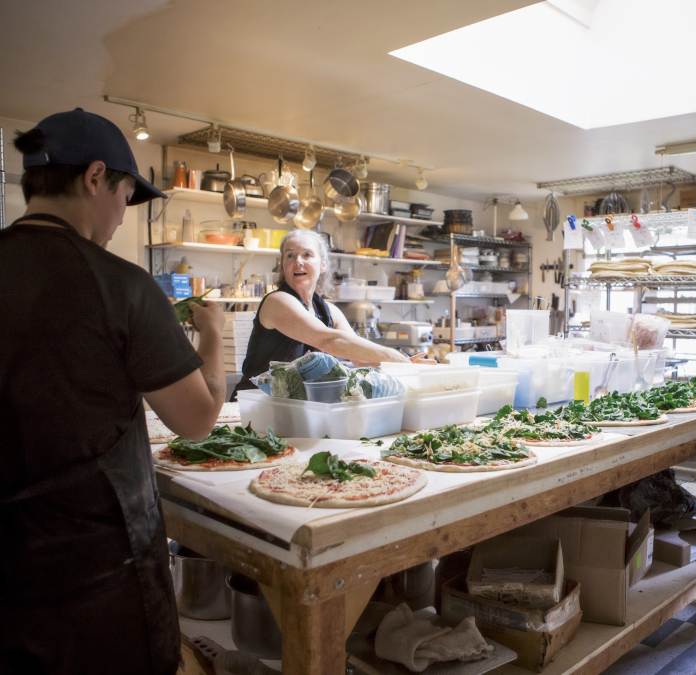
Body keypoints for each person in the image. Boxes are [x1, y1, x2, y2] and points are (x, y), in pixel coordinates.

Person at [0, 109, 226, 675]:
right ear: (96, 177)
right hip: (96, 573)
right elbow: (197, 420)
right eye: (126, 195)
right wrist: (214, 337)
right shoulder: (122, 286)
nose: (122, 215)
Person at [233, 228, 429, 397]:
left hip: (294, 407)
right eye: (290, 255)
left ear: (323, 264)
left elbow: (360, 358)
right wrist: (397, 358)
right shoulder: (278, 301)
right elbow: (329, 340)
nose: (298, 261)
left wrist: (404, 365)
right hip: (255, 406)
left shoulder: (329, 311)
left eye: (307, 255)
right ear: (283, 265)